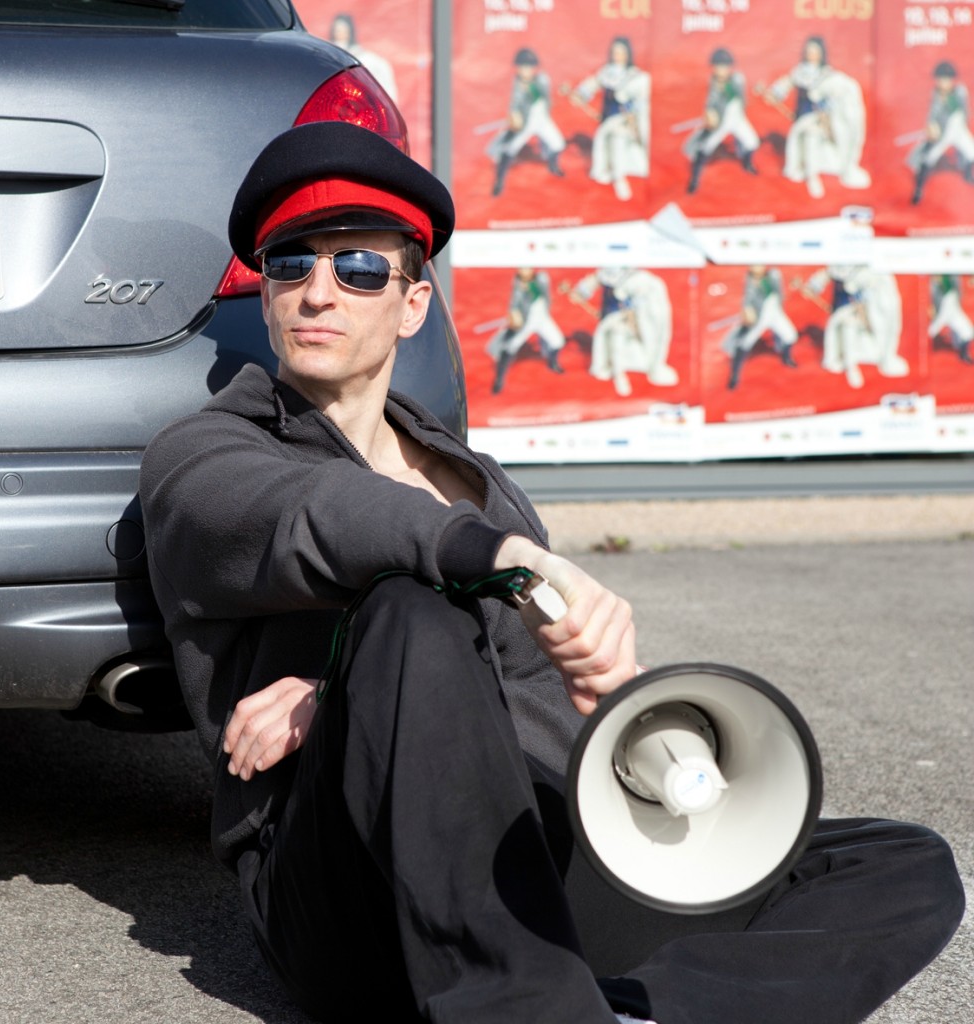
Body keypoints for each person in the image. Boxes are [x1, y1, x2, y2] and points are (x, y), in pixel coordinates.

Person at [140, 120, 964, 1024]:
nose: (317, 292)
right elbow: (318, 521)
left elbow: (528, 688)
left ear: (412, 303)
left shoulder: (469, 477)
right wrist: (470, 584)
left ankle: (636, 1011)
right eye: (290, 264)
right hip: (348, 888)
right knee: (409, 610)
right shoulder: (210, 452)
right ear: (265, 298)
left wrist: (622, 699)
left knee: (898, 863)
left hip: (526, 860)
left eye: (360, 268)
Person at [764, 36, 870, 200]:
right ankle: (804, 171)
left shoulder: (827, 74)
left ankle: (813, 176)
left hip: (820, 119)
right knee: (804, 139)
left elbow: (831, 100)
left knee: (813, 140)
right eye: (809, 51)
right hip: (802, 117)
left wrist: (827, 120)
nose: (811, 54)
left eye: (815, 51)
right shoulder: (799, 72)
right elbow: (785, 85)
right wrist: (774, 94)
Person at [571, 267, 678, 397]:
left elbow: (634, 301)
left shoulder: (635, 278)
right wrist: (580, 292)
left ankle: (620, 374)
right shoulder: (607, 272)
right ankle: (616, 373)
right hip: (610, 315)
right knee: (612, 342)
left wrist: (632, 319)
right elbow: (594, 281)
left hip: (626, 318)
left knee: (619, 344)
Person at [570, 36, 651, 202]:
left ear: (628, 53)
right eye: (615, 52)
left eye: (621, 52)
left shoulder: (635, 76)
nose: (618, 55)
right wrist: (580, 95)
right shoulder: (606, 72)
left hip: (624, 121)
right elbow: (591, 86)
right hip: (608, 120)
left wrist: (633, 120)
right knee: (604, 142)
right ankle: (607, 171)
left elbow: (640, 102)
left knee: (618, 140)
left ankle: (619, 178)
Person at [488, 47, 567, 196]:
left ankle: (553, 165)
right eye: (523, 66)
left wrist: (532, 86)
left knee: (558, 143)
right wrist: (514, 115)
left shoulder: (541, 79)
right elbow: (514, 103)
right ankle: (499, 181)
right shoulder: (516, 84)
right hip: (527, 121)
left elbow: (545, 93)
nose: (526, 70)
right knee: (510, 147)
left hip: (542, 118)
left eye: (529, 67)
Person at [683, 47, 760, 195]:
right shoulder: (713, 83)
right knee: (705, 147)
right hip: (722, 121)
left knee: (752, 142)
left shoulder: (737, 78)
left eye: (724, 66)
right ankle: (694, 179)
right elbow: (710, 103)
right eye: (718, 66)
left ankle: (747, 163)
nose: (721, 70)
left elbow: (740, 92)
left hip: (738, 119)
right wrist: (710, 114)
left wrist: (727, 86)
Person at [487, 267, 567, 395]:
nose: (525, 271)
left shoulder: (541, 278)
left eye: (528, 268)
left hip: (543, 318)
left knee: (558, 341)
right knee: (510, 346)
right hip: (527, 320)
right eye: (522, 269)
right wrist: (514, 314)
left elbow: (545, 292)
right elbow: (514, 304)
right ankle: (499, 379)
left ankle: (552, 362)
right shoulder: (517, 284)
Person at [722, 266, 798, 390]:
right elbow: (747, 299)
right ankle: (734, 376)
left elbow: (781, 287)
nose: (758, 268)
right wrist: (747, 310)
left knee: (790, 335)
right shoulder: (750, 281)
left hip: (775, 312)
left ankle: (786, 357)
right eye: (754, 266)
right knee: (745, 343)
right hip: (760, 316)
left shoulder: (773, 274)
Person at [908, 60, 974, 205]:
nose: (943, 83)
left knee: (972, 152)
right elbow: (932, 114)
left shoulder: (960, 91)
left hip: (959, 129)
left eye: (946, 79)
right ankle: (918, 190)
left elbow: (962, 108)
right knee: (928, 158)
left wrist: (947, 99)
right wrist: (931, 126)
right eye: (940, 79)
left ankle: (969, 175)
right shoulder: (936, 95)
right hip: (944, 132)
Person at [328, 12, 398, 103]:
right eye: (338, 30)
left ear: (350, 32)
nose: (341, 33)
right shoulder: (329, 56)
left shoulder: (367, 60)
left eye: (344, 30)